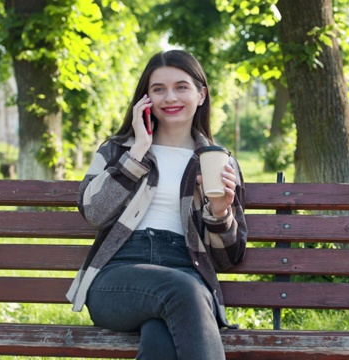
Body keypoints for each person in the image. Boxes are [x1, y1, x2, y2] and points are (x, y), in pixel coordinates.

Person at [66, 49, 248, 360]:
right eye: (158, 89)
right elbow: (94, 213)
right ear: (145, 100)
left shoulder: (218, 161)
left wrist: (220, 213)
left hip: (186, 270)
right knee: (183, 292)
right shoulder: (117, 150)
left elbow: (228, 258)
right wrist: (137, 152)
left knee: (160, 337)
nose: (169, 98)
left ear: (201, 94)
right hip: (118, 275)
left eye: (181, 87)